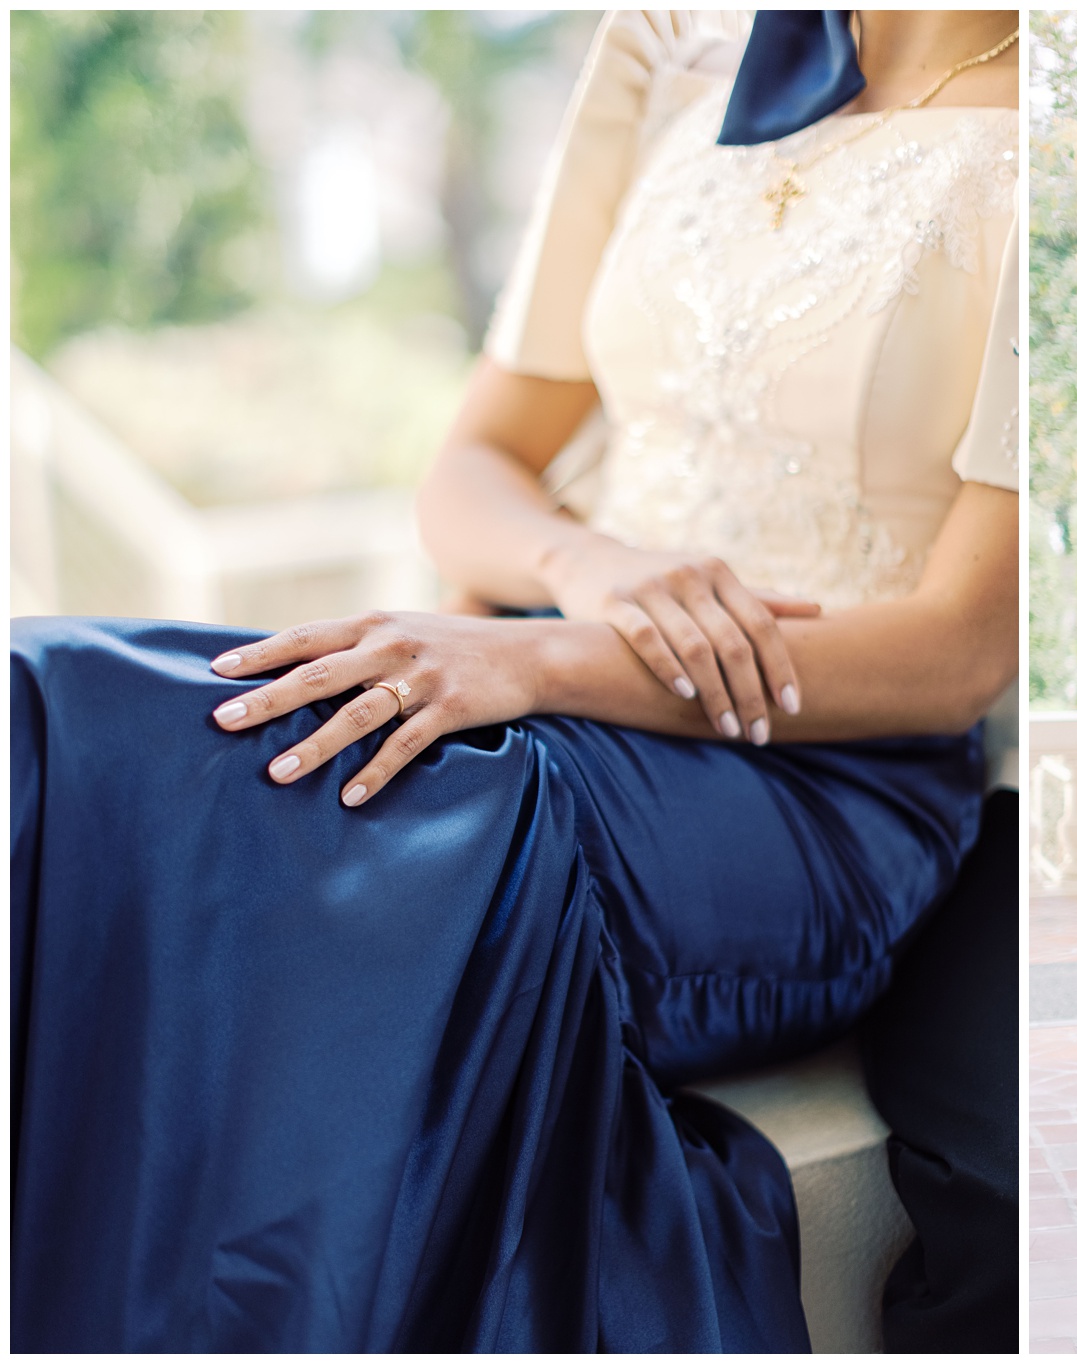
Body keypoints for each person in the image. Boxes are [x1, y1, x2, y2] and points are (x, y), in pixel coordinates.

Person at [11, 10, 1019, 1351]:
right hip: (552, 635)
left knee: (395, 814)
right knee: (57, 705)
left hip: (820, 778)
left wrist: (541, 655)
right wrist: (582, 566)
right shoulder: (671, 37)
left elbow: (955, 653)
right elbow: (473, 464)